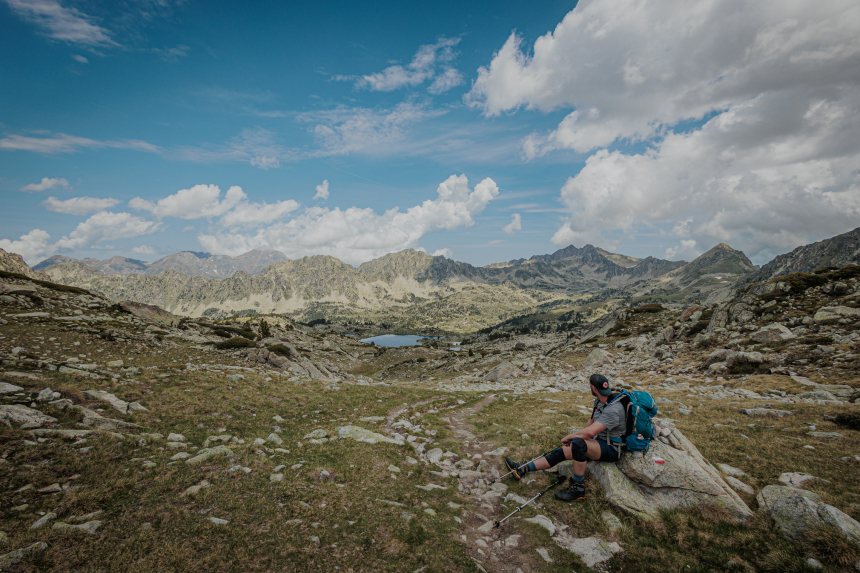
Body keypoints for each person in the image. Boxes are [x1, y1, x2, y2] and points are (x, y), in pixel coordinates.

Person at [503, 373, 626, 501]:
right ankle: (522, 468)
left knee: (578, 444)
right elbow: (589, 425)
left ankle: (578, 489)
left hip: (612, 448)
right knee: (561, 451)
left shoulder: (614, 409)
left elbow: (590, 433)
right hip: (599, 442)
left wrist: (571, 437)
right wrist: (575, 438)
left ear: (593, 388)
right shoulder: (600, 402)